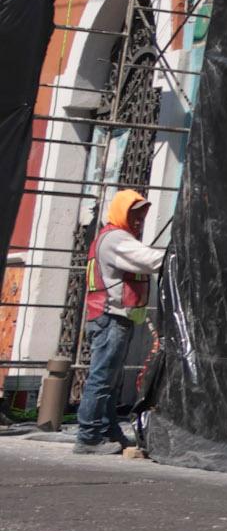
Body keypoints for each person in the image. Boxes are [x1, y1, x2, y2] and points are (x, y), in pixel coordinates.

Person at [72, 188, 164, 456]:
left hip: (110, 317)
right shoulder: (116, 238)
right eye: (134, 215)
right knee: (102, 378)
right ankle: (89, 437)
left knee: (109, 380)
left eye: (142, 216)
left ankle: (109, 431)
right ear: (121, 212)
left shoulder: (111, 237)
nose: (139, 221)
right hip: (110, 317)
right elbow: (150, 260)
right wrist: (180, 255)